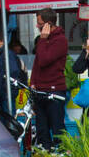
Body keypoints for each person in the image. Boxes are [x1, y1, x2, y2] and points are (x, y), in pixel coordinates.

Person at [28, 8, 69, 149]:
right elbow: (37, 63)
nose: (37, 26)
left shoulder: (60, 40)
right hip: (40, 90)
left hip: (54, 90)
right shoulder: (42, 41)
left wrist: (43, 40)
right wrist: (33, 82)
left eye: (39, 23)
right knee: (42, 129)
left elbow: (45, 59)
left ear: (48, 24)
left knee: (57, 128)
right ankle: (44, 156)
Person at [0, 33, 25, 112]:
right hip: (1, 95)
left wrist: (6, 92)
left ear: (2, 42)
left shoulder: (8, 55)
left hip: (6, 95)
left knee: (8, 121)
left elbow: (13, 74)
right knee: (2, 121)